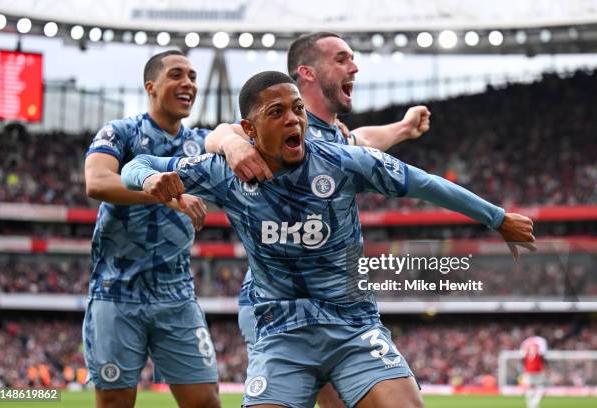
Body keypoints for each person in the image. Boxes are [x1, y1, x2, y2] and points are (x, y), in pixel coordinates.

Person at [121, 71, 536, 407]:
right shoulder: (224, 171)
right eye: (277, 111)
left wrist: (496, 218)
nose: (293, 120)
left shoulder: (340, 161)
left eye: (298, 109)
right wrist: (152, 178)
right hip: (281, 333)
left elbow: (423, 183)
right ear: (248, 128)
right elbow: (135, 164)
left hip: (353, 327)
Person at [204, 32, 430, 407]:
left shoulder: (328, 135)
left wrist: (404, 128)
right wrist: (229, 142)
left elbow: (363, 142)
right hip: (284, 306)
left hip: (333, 302)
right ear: (306, 73)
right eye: (341, 60)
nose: (353, 67)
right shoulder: (269, 127)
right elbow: (220, 133)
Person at [83, 50, 220, 408]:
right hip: (117, 291)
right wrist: (165, 196)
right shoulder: (121, 132)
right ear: (151, 86)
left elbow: (243, 138)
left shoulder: (202, 143)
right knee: (114, 402)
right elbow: (96, 181)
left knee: (206, 401)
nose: (188, 83)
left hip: (177, 296)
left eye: (192, 76)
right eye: (177, 75)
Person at [520, 336, 548, 408]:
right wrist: (545, 367)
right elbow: (542, 355)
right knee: (541, 387)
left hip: (528, 369)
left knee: (529, 388)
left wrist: (524, 368)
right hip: (537, 369)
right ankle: (534, 404)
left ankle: (531, 405)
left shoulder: (525, 343)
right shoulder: (541, 341)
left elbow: (522, 357)